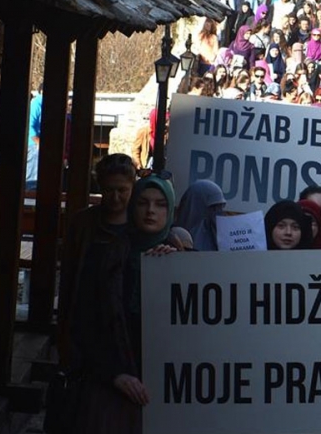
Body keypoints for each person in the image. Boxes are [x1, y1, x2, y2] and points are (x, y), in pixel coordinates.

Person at [69, 172, 178, 433]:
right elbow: (84, 323)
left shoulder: (183, 264)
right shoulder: (103, 258)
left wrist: (179, 266)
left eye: (160, 204)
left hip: (166, 394)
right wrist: (114, 375)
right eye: (142, 202)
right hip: (109, 394)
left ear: (171, 211)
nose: (150, 211)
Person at [57, 153, 137, 367]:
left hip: (127, 325)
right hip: (87, 323)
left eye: (122, 190)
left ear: (132, 187)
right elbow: (68, 277)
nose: (116, 197)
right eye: (109, 190)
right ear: (100, 187)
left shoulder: (140, 224)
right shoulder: (82, 223)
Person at [175, 180, 226, 252]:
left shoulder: (224, 238)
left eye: (220, 207)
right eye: (213, 208)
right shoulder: (173, 238)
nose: (218, 211)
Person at [25, 86, 43, 190]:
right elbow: (29, 125)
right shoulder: (36, 103)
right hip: (34, 146)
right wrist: (38, 142)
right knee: (32, 179)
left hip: (35, 145)